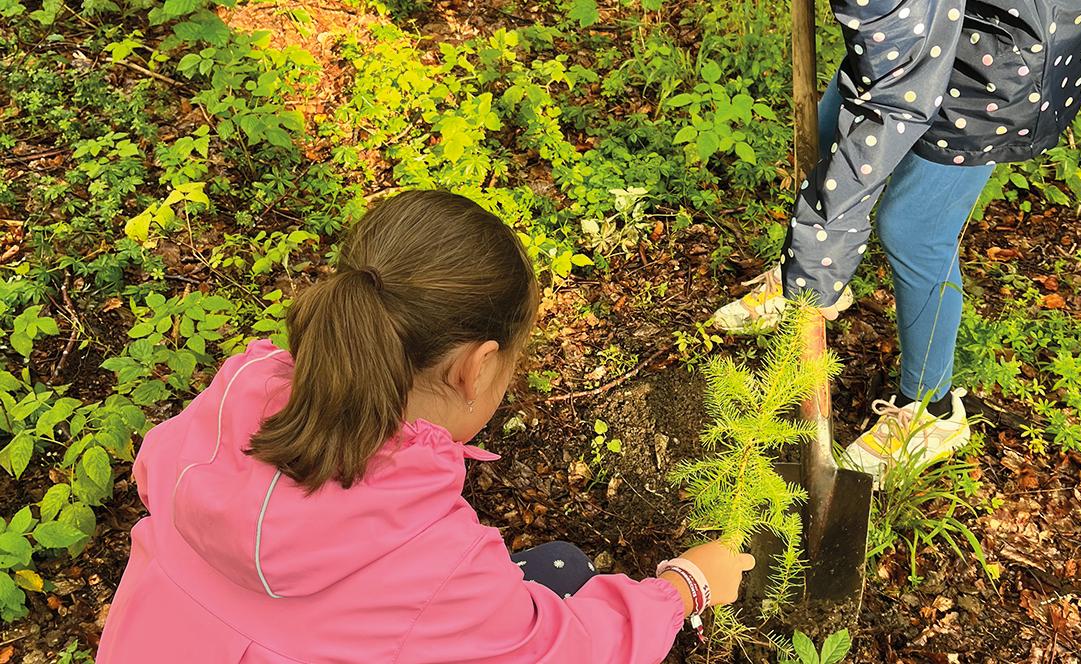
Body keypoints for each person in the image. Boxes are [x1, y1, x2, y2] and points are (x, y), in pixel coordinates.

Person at [97, 190, 755, 663]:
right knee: (563, 570)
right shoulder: (436, 571)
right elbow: (564, 650)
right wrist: (683, 590)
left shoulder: (223, 411)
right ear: (477, 368)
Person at [713, 0, 1081, 480]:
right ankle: (815, 277)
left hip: (999, 63)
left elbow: (890, 98)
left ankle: (931, 409)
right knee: (825, 128)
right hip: (937, 29)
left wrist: (821, 257)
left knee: (915, 228)